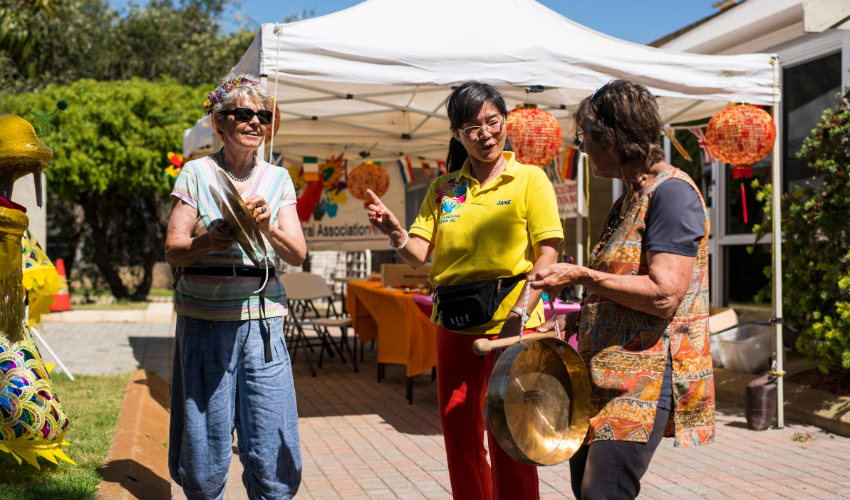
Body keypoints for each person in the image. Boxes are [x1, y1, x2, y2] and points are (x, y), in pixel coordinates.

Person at [364, 81, 563, 500]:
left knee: (511, 432)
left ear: (505, 122)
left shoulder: (530, 179)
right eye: (472, 127)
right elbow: (419, 253)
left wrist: (521, 311)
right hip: (454, 322)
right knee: (458, 430)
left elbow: (548, 254)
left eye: (492, 122)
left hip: (516, 322)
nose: (485, 133)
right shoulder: (443, 189)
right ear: (457, 134)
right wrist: (394, 231)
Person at [530, 79, 715, 500]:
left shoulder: (672, 195)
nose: (581, 148)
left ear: (610, 139)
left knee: (603, 494)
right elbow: (623, 282)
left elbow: (665, 293)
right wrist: (586, 311)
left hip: (643, 379)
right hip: (602, 372)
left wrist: (582, 276)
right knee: (585, 489)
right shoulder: (628, 198)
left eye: (584, 138)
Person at [165, 73, 306, 500]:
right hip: (206, 323)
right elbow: (174, 250)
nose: (254, 122)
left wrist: (264, 226)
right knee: (205, 447)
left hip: (264, 328)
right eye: (242, 114)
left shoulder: (279, 179)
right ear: (219, 123)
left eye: (262, 115)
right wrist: (212, 239)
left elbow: (297, 253)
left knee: (271, 439)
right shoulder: (196, 172)